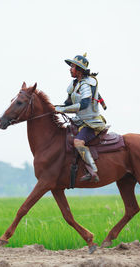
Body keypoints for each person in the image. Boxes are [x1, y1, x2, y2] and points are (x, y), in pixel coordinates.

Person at [55, 53, 106, 182]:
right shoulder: (74, 84)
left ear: (79, 69)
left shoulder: (85, 84)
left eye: (72, 66)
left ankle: (93, 172)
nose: (70, 69)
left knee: (78, 142)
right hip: (79, 121)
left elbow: (84, 104)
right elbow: (68, 102)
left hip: (91, 122)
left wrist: (62, 110)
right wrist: (53, 107)